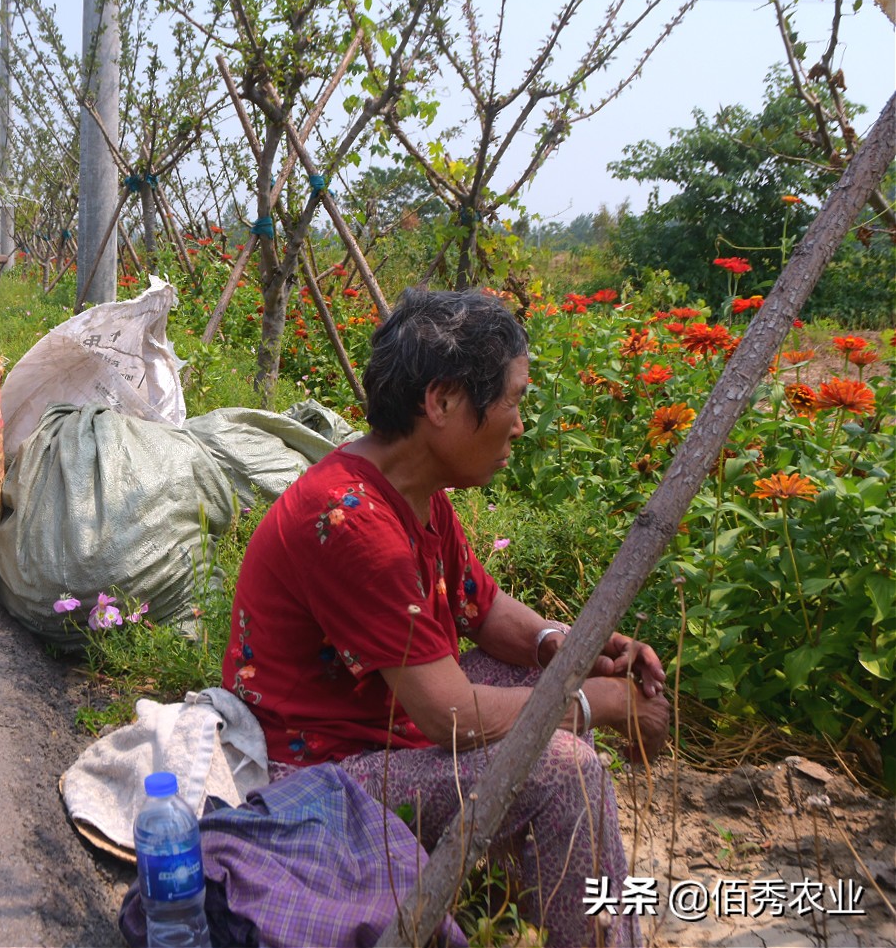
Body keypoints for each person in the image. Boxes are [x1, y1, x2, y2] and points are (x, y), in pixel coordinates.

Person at [223, 288, 669, 947]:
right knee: (564, 767)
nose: (519, 422)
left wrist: (567, 646)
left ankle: (537, 899)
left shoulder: (410, 491)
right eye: (514, 400)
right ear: (442, 403)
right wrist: (595, 699)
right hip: (324, 779)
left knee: (528, 691)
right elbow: (452, 715)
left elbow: (482, 610)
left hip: (382, 729)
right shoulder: (351, 522)